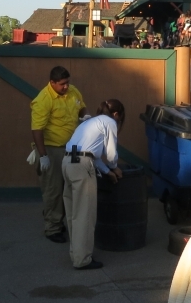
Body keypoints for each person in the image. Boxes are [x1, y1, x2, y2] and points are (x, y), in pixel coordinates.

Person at [62, 99, 125, 270]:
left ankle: (75, 253)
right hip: (82, 165)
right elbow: (111, 154)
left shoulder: (90, 122)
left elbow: (91, 155)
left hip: (68, 161)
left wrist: (106, 171)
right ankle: (82, 259)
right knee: (85, 213)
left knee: (73, 212)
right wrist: (114, 168)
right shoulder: (110, 122)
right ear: (116, 114)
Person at [30, 66, 85, 243]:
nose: (66, 87)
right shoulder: (43, 100)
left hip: (73, 146)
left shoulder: (73, 91)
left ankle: (66, 220)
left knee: (74, 184)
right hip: (53, 148)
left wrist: (86, 116)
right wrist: (43, 155)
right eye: (62, 84)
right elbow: (37, 129)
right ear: (52, 83)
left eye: (67, 82)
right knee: (53, 189)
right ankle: (53, 227)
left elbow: (81, 107)